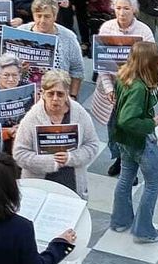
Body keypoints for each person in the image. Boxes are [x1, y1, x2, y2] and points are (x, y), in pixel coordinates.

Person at [14, 68, 103, 196]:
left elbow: (92, 145)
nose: (55, 99)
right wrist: (51, 161)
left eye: (60, 94)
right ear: (43, 93)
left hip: (72, 183)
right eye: (50, 94)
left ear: (67, 93)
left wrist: (71, 158)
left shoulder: (79, 113)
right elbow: (19, 154)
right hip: (39, 187)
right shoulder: (31, 118)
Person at [109, 41, 158, 243]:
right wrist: (151, 123)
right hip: (141, 142)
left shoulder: (124, 77)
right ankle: (144, 231)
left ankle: (120, 221)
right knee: (152, 184)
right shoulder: (140, 87)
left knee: (125, 178)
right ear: (148, 62)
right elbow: (127, 119)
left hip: (124, 141)